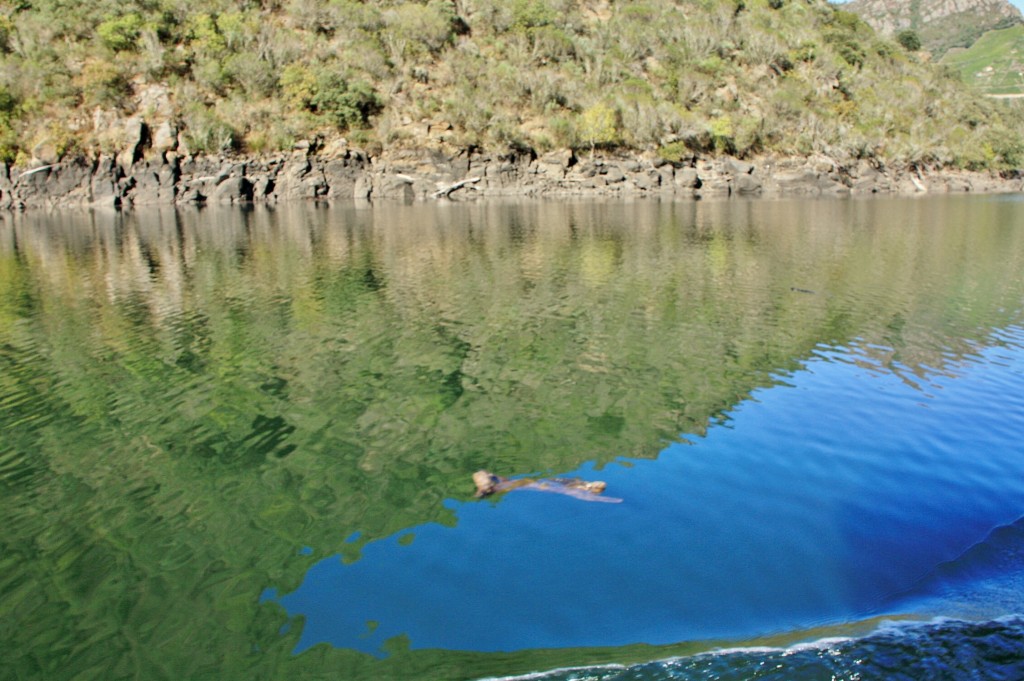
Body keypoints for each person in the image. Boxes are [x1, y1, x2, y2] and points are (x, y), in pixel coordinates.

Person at [472, 470, 621, 503]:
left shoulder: (503, 483)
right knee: (562, 488)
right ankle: (589, 492)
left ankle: (588, 490)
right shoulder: (501, 486)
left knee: (563, 485)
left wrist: (491, 476)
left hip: (536, 482)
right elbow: (480, 475)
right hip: (537, 484)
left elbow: (481, 474)